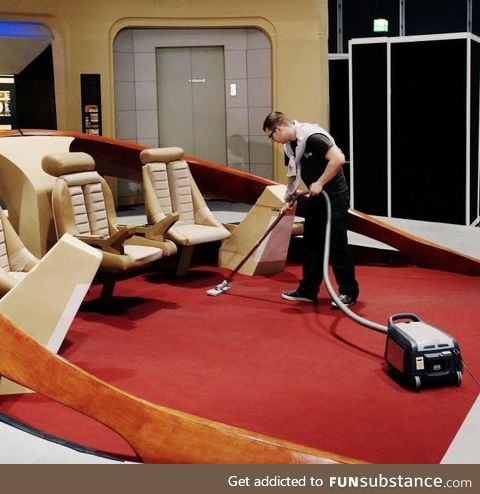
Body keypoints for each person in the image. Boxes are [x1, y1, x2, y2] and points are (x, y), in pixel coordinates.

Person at [262, 111, 359, 306]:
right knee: (311, 242)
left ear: (278, 128)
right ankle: (308, 289)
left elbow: (338, 159)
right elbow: (292, 175)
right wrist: (288, 200)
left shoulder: (313, 137)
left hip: (334, 197)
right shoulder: (289, 146)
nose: (273, 140)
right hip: (316, 198)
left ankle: (348, 292)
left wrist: (320, 182)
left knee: (336, 244)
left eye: (271, 135)